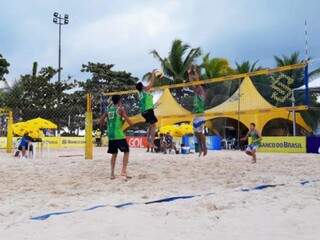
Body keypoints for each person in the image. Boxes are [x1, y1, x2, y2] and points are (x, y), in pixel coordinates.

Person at [100, 95, 133, 180]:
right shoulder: (120, 109)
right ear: (118, 101)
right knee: (126, 151)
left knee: (114, 154)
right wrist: (129, 124)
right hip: (118, 135)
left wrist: (107, 126)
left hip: (111, 136)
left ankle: (112, 174)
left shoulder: (108, 110)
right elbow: (129, 121)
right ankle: (123, 171)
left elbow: (101, 121)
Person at [136, 70, 159, 150]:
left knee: (150, 125)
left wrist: (154, 105)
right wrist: (153, 74)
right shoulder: (144, 90)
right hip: (148, 110)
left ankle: (148, 139)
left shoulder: (139, 93)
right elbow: (151, 83)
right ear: (142, 87)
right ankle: (152, 142)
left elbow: (147, 101)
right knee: (154, 126)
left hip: (143, 112)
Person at [188, 65, 207, 156]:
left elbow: (197, 81)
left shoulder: (201, 91)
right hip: (196, 115)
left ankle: (205, 147)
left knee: (201, 133)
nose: (195, 85)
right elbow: (192, 82)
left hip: (201, 115)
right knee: (196, 133)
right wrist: (189, 73)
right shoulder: (196, 92)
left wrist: (195, 71)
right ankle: (200, 148)